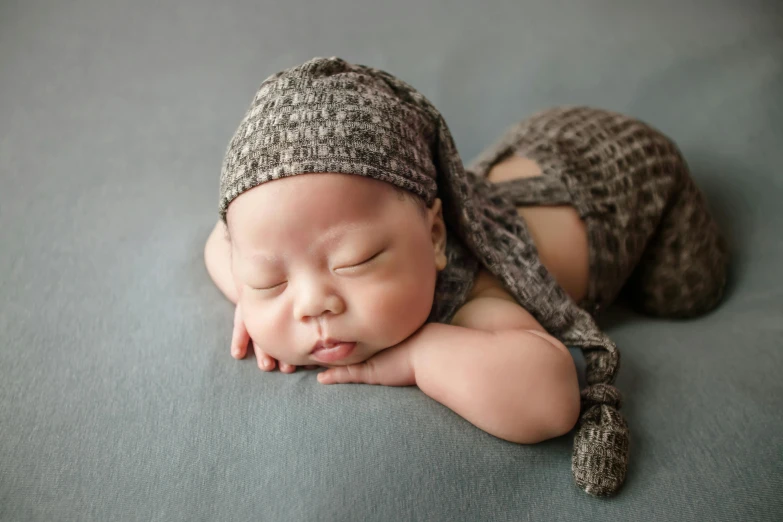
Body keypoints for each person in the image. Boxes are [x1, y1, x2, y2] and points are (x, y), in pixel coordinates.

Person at [203, 57, 729, 497]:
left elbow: (550, 400)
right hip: (522, 156)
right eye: (271, 278)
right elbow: (218, 243)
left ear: (435, 235)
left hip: (633, 179)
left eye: (356, 261)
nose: (312, 303)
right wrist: (251, 299)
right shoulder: (287, 253)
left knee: (688, 291)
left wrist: (419, 354)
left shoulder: (471, 293)